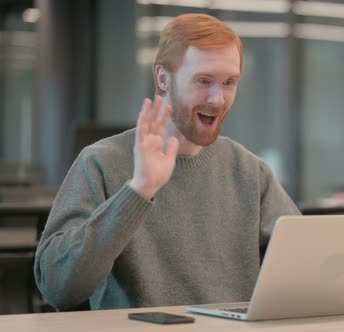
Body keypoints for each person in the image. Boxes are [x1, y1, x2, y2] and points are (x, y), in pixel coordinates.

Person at [34, 13, 300, 311]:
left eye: (229, 82)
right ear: (163, 77)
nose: (218, 99)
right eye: (204, 81)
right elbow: (58, 287)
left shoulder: (250, 171)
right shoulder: (101, 162)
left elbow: (307, 267)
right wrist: (138, 190)